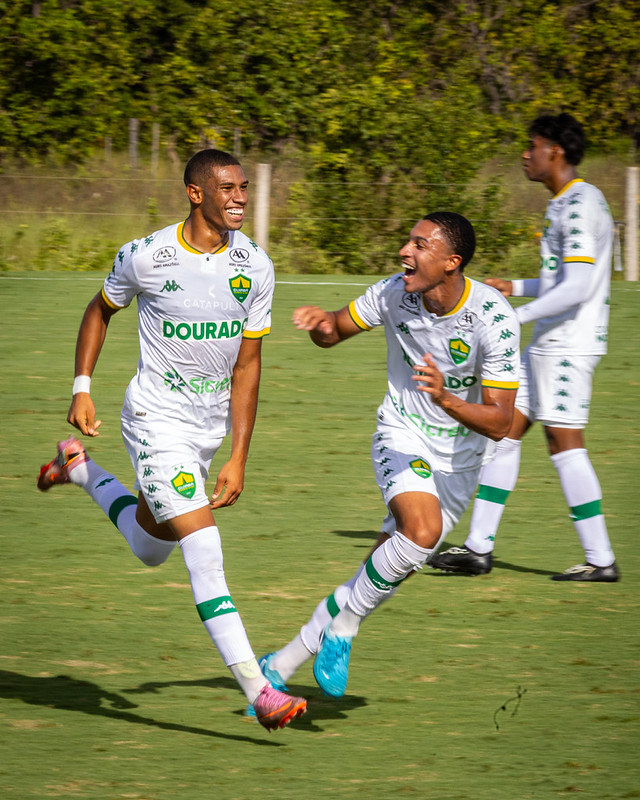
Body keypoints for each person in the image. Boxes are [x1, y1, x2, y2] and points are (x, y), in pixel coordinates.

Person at [37, 148, 307, 731]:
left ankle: (79, 469)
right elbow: (99, 309)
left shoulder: (256, 266)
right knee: (203, 549)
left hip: (208, 431)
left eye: (244, 189)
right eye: (228, 188)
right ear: (196, 193)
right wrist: (82, 387)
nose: (240, 198)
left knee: (150, 546)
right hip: (154, 420)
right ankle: (261, 690)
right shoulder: (146, 256)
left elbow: (248, 366)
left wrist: (237, 453)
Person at [256, 212, 520, 698]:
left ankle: (277, 667)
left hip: (461, 462)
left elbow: (502, 421)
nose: (405, 251)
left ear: (451, 262)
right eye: (408, 241)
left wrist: (447, 399)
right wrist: (319, 325)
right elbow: (335, 329)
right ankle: (344, 628)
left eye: (420, 245)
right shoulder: (393, 291)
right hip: (401, 433)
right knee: (422, 531)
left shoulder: (494, 317)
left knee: (383, 571)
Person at [430, 113, 619, 582]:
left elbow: (577, 288)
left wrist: (513, 317)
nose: (524, 154)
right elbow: (563, 278)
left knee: (564, 441)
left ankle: (601, 560)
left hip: (566, 345)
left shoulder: (579, 204)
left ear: (555, 151)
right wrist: (514, 285)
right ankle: (478, 550)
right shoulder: (564, 203)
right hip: (549, 342)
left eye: (531, 145)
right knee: (505, 432)